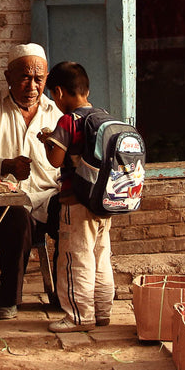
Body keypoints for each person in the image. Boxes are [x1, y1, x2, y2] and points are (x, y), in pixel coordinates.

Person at [0, 42, 63, 320]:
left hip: (46, 197)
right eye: (25, 77)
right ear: (7, 76)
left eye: (39, 78)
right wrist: (5, 165)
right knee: (18, 217)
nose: (33, 85)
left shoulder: (55, 112)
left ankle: (65, 293)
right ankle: (9, 298)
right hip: (3, 198)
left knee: (70, 212)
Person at [40, 60, 114, 333]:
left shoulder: (68, 120)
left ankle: (78, 317)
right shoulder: (103, 115)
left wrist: (49, 140)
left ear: (58, 92)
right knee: (101, 256)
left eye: (52, 95)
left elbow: (57, 160)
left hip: (76, 202)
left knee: (76, 259)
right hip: (103, 201)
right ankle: (103, 312)